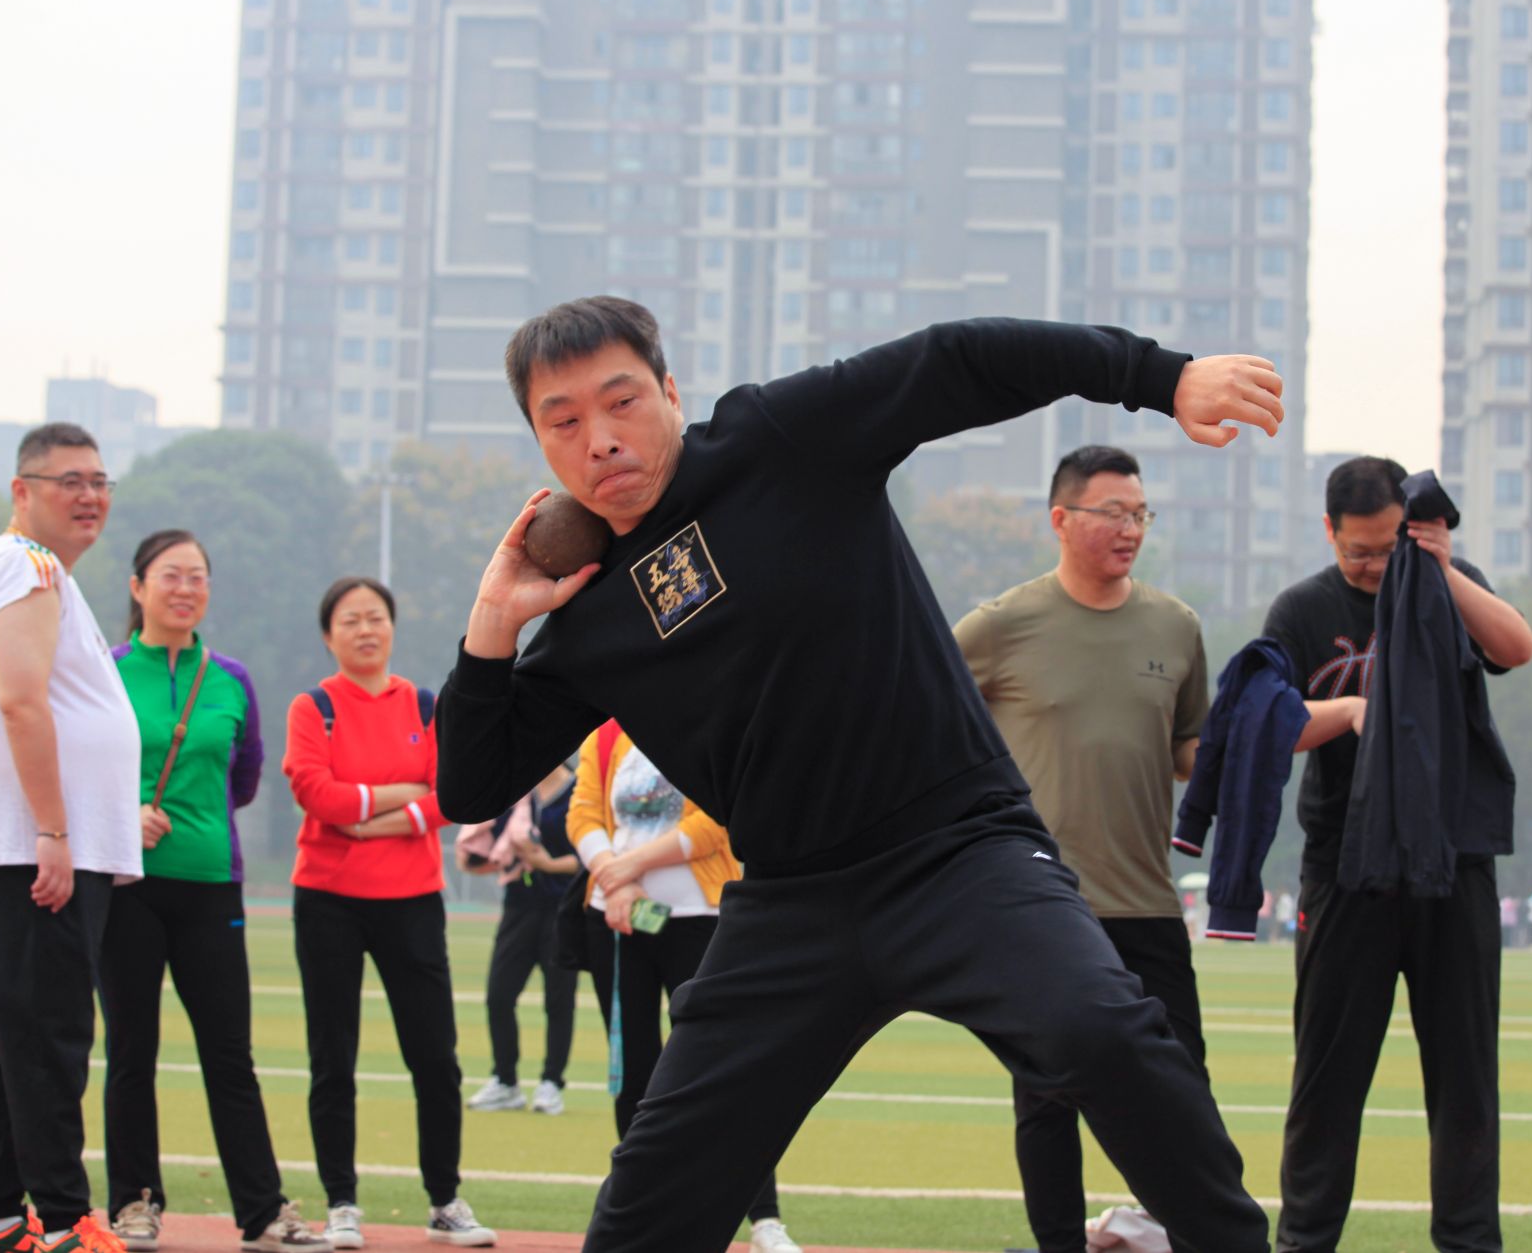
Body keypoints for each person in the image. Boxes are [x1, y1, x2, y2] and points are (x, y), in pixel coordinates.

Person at [433, 298, 1285, 1251]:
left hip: (959, 853)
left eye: (621, 401)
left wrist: (1160, 376)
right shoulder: (589, 616)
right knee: (649, 1206)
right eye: (563, 421)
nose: (600, 439)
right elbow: (470, 786)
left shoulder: (776, 439)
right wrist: (493, 624)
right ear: (542, 445)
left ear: (670, 391)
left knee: (1106, 1033)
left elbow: (954, 358)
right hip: (788, 906)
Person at [1261, 455, 1532, 1253]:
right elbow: (1267, 723)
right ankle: (1304, 1240)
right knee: (1328, 1073)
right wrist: (1349, 708)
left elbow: (1517, 646)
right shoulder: (1303, 608)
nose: (1375, 565)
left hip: (1452, 860)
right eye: (1359, 551)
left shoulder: (1446, 581)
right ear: (1329, 532)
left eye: (1389, 547)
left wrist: (1440, 567)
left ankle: (1469, 1241)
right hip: (1347, 864)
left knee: (1465, 1073)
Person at [953, 443, 1212, 1253]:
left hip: (1147, 898)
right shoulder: (1000, 625)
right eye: (1113, 513)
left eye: (1140, 513)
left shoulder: (1176, 626)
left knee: (1182, 1086)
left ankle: (1188, 1233)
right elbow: (932, 718)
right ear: (1061, 519)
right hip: (1043, 906)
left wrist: (1255, 744)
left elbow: (1189, 750)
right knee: (1046, 1093)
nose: (1131, 528)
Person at [100, 530, 330, 1252]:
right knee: (131, 1050)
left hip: (211, 887)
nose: (185, 588)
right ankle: (134, 1202)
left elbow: (247, 774)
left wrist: (197, 821)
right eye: (171, 575)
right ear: (138, 587)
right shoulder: (105, 671)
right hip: (127, 886)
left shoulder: (230, 678)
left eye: (197, 576)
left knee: (230, 1054)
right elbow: (79, 766)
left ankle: (262, 1212)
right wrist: (122, 813)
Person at [0, 422, 142, 1253]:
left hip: (46, 841)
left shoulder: (41, 572)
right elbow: (20, 702)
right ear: (23, 491)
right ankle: (65, 1220)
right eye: (69, 481)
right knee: (52, 1035)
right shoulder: (22, 567)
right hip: (39, 844)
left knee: (16, 1032)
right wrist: (54, 829)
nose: (89, 495)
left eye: (99, 481)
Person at [282, 576, 494, 1250]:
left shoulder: (426, 706)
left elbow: (450, 793)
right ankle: (341, 1203)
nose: (365, 629)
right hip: (328, 900)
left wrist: (376, 815)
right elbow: (315, 792)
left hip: (412, 899)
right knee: (332, 1057)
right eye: (350, 620)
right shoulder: (314, 708)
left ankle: (445, 1198)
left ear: (393, 627)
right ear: (329, 635)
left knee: (435, 1057)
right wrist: (398, 793)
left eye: (375, 617)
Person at [568, 723, 801, 1253]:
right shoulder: (603, 736)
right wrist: (613, 878)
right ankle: (643, 1212)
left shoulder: (708, 721)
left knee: (724, 1072)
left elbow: (718, 820)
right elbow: (582, 814)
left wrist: (628, 866)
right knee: (634, 1074)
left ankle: (764, 1218)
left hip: (700, 919)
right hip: (618, 919)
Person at [459, 761, 581, 1117]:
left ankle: (551, 1082)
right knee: (499, 995)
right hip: (518, 907)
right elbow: (488, 834)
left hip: (562, 908)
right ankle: (505, 1080)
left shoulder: (577, 791)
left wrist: (548, 864)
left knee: (559, 1000)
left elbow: (592, 856)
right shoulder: (516, 791)